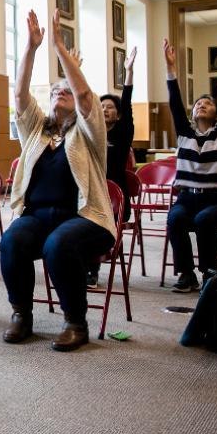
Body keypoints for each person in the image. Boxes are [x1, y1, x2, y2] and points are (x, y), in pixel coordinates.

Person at [0, 9, 115, 352]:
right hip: (38, 216)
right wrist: (32, 48)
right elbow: (19, 96)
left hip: (85, 218)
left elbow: (84, 98)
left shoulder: (88, 131)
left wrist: (60, 48)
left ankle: (75, 322)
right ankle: (21, 314)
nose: (59, 93)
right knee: (11, 241)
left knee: (57, 246)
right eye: (53, 91)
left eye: (65, 89)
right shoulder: (37, 130)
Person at [164, 35, 217, 293]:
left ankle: (208, 271)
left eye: (207, 104)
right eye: (197, 104)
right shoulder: (184, 134)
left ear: (216, 114)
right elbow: (174, 103)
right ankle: (186, 273)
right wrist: (170, 69)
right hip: (186, 199)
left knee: (206, 220)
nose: (201, 106)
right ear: (192, 113)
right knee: (175, 219)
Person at [89, 46, 137, 286]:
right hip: (92, 194)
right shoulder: (91, 134)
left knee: (99, 223)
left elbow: (127, 104)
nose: (105, 109)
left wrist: (128, 73)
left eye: (110, 107)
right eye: (102, 106)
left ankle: (92, 269)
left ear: (117, 115)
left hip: (116, 199)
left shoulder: (122, 132)